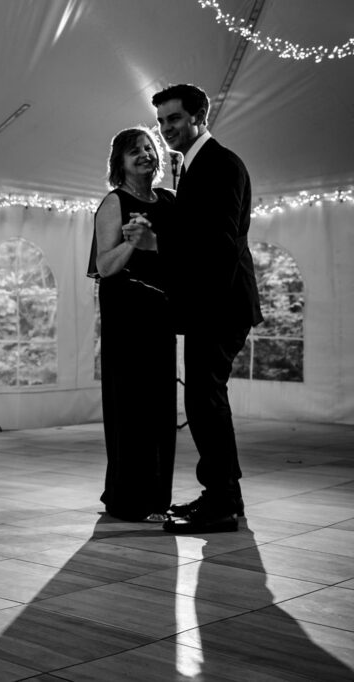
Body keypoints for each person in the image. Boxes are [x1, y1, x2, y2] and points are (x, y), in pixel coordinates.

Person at [152, 83, 263, 534]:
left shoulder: (219, 164)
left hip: (220, 305)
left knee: (204, 400)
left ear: (199, 116)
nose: (166, 130)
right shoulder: (191, 168)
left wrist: (161, 242)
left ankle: (221, 502)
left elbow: (218, 243)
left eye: (173, 119)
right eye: (160, 122)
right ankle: (224, 496)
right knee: (204, 399)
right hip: (213, 304)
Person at [88, 127, 177, 523]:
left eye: (148, 148)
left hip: (160, 315)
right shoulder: (114, 202)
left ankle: (158, 498)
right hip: (127, 319)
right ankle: (127, 499)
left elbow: (183, 255)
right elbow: (105, 267)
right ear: (119, 163)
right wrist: (132, 242)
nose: (144, 155)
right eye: (133, 151)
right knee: (131, 407)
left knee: (160, 407)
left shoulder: (171, 202)